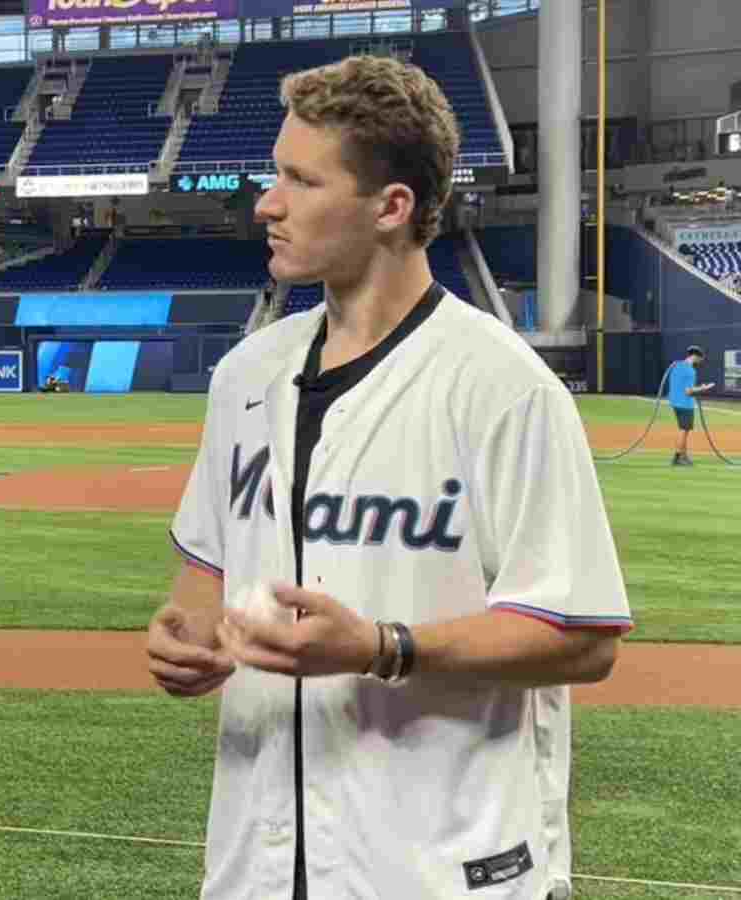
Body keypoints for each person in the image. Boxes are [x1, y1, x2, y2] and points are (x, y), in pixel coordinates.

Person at [148, 54, 631, 900]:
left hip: (441, 862)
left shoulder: (503, 388)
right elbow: (207, 573)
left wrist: (381, 648)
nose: (268, 202)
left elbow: (583, 637)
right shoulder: (245, 377)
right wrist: (189, 637)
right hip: (257, 858)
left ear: (391, 207)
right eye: (275, 175)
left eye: (300, 180)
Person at [667, 344, 715, 465]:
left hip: (675, 402)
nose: (700, 362)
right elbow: (688, 391)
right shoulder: (690, 370)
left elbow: (678, 386)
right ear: (696, 356)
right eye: (700, 359)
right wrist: (703, 388)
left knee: (684, 429)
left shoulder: (676, 366)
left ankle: (684, 456)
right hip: (685, 403)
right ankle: (677, 457)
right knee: (684, 430)